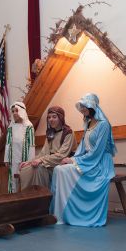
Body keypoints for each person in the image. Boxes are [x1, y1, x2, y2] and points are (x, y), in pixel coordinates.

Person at [51, 93, 116, 227]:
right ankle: (60, 213)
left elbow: (97, 151)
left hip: (100, 163)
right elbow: (82, 147)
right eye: (81, 107)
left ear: (92, 107)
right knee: (58, 169)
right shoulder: (88, 122)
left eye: (84, 107)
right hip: (88, 160)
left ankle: (69, 213)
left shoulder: (103, 125)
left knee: (62, 170)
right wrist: (72, 158)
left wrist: (75, 162)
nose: (82, 110)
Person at [20, 106, 77, 190]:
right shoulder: (50, 133)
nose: (51, 119)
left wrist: (41, 160)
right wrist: (29, 162)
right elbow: (43, 153)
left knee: (39, 168)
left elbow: (62, 155)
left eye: (54, 117)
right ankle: (27, 197)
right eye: (49, 117)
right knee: (26, 169)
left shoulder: (68, 133)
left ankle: (42, 197)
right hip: (49, 162)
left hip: (62, 163)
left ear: (61, 118)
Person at [4, 102, 35, 193]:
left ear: (22, 111)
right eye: (12, 111)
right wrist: (6, 158)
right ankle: (12, 198)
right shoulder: (11, 128)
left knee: (25, 180)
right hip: (13, 159)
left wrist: (30, 161)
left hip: (25, 160)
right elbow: (8, 143)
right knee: (13, 181)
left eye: (16, 111)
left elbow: (31, 145)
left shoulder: (29, 126)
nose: (14, 113)